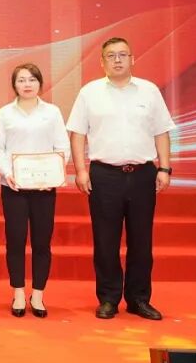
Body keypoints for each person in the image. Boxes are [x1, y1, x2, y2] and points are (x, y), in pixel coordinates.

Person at [67, 37, 175, 321]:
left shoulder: (149, 91)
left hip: (142, 174)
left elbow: (161, 131)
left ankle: (139, 299)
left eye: (123, 55)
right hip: (104, 175)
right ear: (102, 62)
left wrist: (164, 168)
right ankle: (108, 298)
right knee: (106, 241)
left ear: (132, 59)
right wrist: (81, 170)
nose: (117, 60)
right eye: (111, 55)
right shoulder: (90, 93)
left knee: (141, 240)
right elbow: (77, 134)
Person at [0, 63, 70, 318]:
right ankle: (18, 293)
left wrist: (54, 174)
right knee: (15, 240)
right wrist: (8, 173)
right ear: (14, 85)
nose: (27, 84)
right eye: (22, 80)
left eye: (32, 79)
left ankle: (37, 294)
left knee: (41, 242)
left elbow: (62, 147)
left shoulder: (52, 112)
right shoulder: (4, 114)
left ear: (40, 83)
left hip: (44, 187)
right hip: (14, 186)